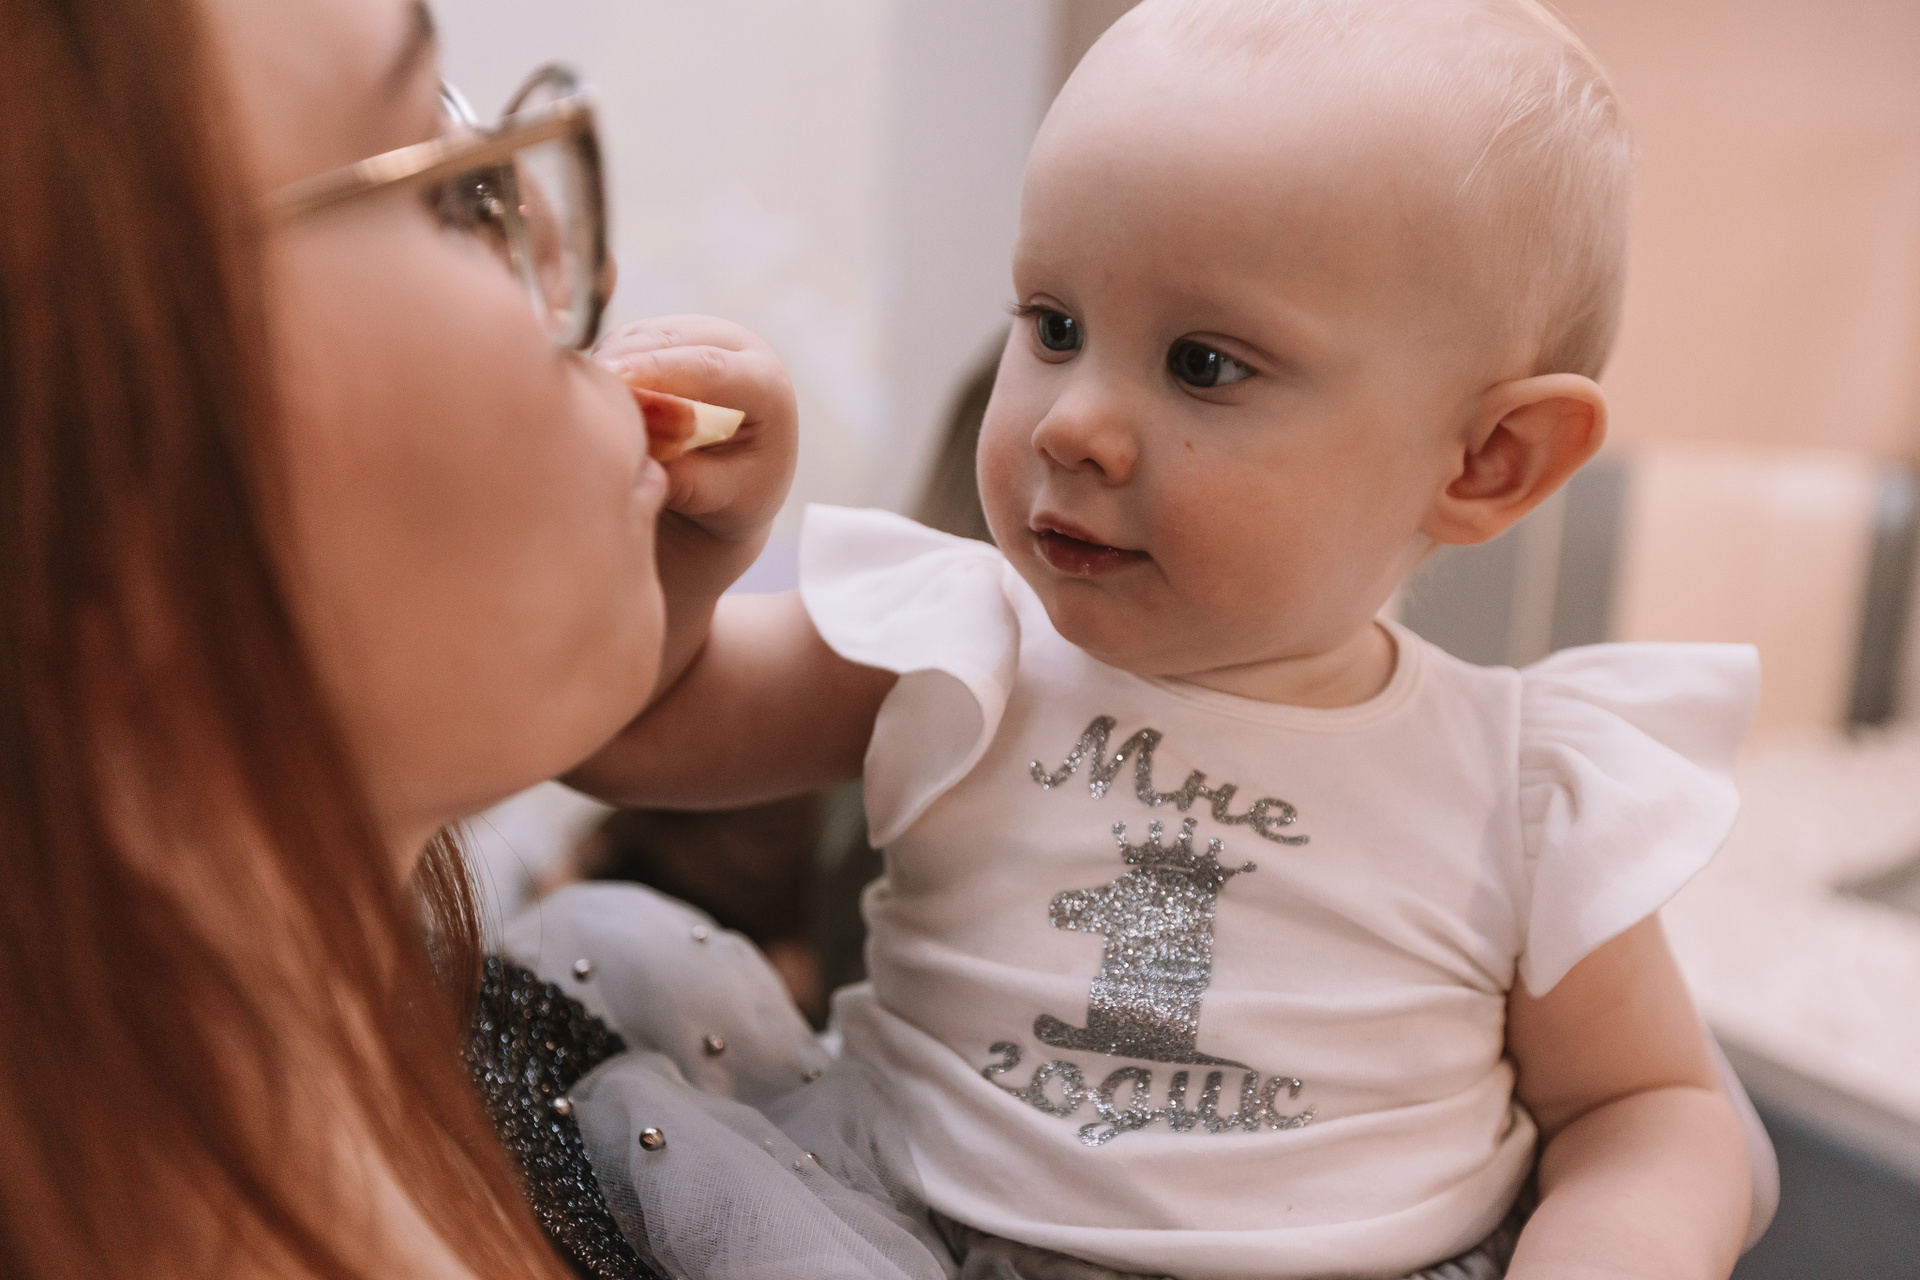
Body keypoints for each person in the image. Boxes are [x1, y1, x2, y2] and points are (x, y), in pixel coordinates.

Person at [567, 1, 1764, 1277]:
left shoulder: (1519, 788)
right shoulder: (960, 639)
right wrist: (704, 548)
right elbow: (619, 731)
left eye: (1202, 363)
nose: (1070, 422)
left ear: (1489, 458)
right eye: (1054, 323)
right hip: (896, 1237)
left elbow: (1651, 1107)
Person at [0, 0, 800, 1274]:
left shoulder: (495, 1079)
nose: (547, 234)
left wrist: (647, 623)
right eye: (439, 192)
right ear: (96, 520)